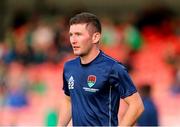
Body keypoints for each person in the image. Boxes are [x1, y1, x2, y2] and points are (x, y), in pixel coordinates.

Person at [59, 12, 144, 126]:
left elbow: (137, 105)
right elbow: (68, 100)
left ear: (95, 37)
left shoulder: (113, 68)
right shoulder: (69, 67)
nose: (73, 40)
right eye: (71, 35)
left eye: (78, 34)